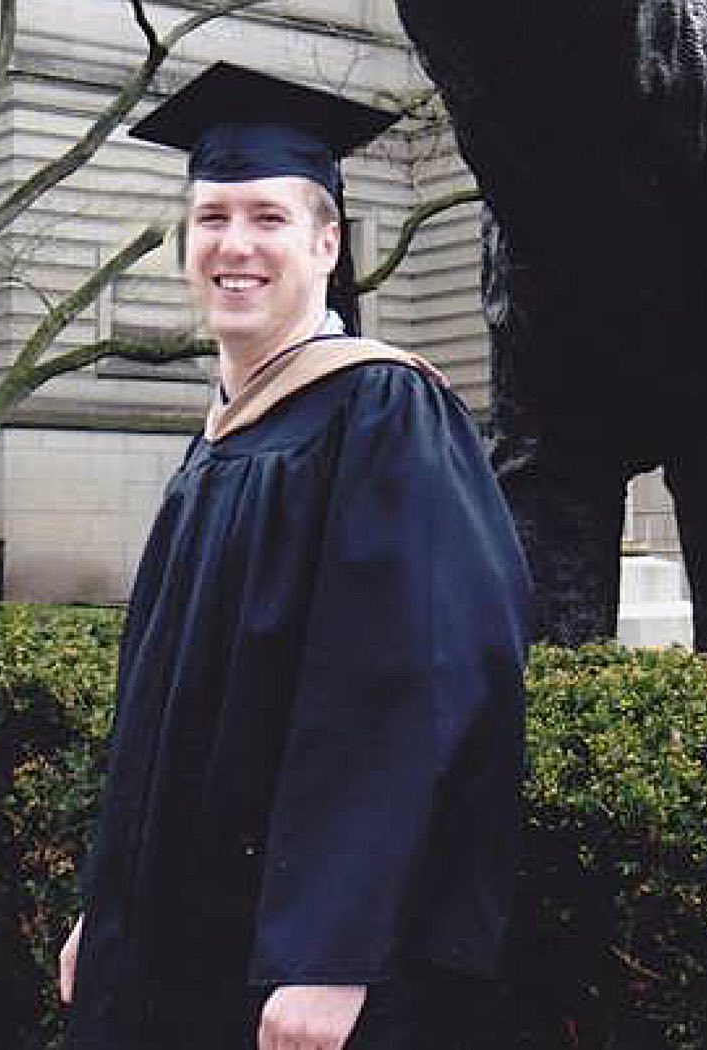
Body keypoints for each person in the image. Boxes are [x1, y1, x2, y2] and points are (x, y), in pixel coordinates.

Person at [59, 62, 532, 1050]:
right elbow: (160, 714)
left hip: (297, 968)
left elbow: (409, 695)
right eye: (212, 218)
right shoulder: (222, 439)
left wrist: (331, 950)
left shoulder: (384, 412)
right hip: (176, 944)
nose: (234, 245)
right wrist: (108, 909)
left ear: (328, 243)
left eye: (268, 217)